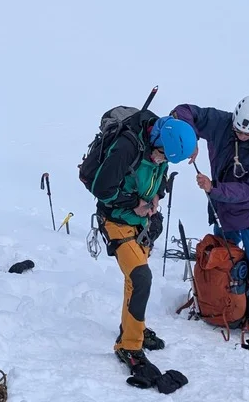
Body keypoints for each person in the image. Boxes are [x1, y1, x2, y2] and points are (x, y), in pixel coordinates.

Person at [172, 96, 249, 354]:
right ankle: (220, 303)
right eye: (238, 130)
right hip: (224, 211)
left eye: (247, 134)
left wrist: (214, 188)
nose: (241, 136)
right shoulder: (221, 122)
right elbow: (184, 111)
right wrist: (190, 139)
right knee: (221, 262)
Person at [91, 113, 196, 378]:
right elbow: (102, 189)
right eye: (161, 155)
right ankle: (129, 346)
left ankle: (133, 329)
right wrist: (135, 204)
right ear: (157, 141)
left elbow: (159, 176)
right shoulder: (127, 148)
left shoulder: (161, 144)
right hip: (116, 220)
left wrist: (156, 197)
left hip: (142, 223)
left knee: (135, 280)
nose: (161, 160)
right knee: (140, 278)